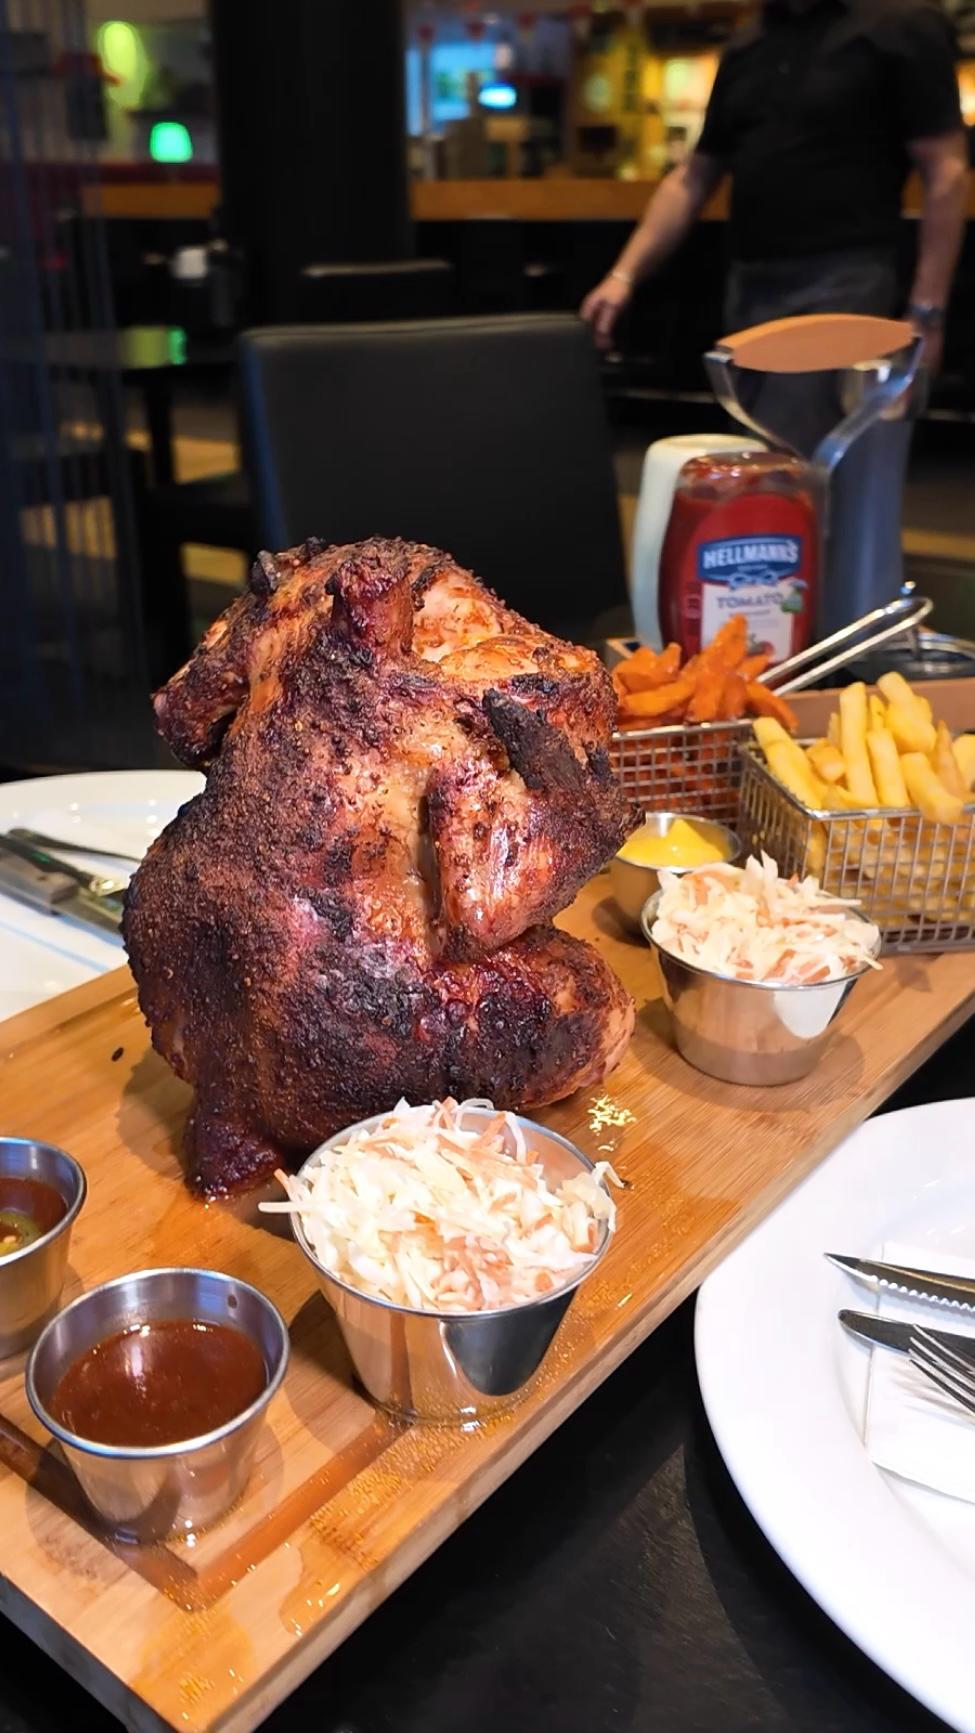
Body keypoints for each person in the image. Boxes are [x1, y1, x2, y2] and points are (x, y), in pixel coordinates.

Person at [581, 0, 969, 372]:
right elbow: (693, 176)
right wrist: (622, 276)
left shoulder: (902, 21)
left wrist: (926, 314)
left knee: (820, 435)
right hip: (749, 284)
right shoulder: (748, 40)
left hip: (848, 280)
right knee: (757, 436)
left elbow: (946, 172)